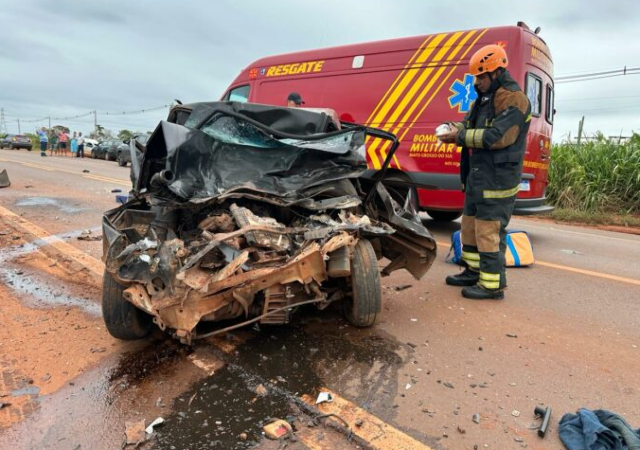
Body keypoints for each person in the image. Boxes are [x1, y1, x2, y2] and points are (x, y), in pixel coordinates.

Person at [438, 44, 531, 301]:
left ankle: (492, 286)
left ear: (496, 73)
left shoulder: (514, 99)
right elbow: (467, 125)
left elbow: (496, 137)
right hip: (478, 177)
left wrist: (459, 137)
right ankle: (473, 271)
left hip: (497, 180)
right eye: (476, 77)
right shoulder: (484, 98)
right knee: (470, 227)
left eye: (481, 77)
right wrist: (453, 128)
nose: (477, 82)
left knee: (489, 232)